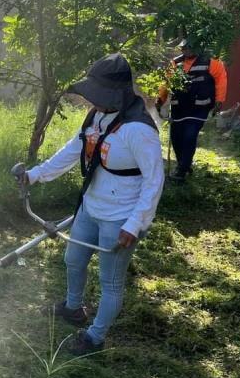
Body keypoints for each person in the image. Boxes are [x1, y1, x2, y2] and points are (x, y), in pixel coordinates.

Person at [23, 53, 164, 356]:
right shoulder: (97, 117)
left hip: (120, 217)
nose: (92, 101)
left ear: (117, 94)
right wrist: (35, 175)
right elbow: (72, 150)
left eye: (98, 95)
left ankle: (95, 337)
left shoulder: (139, 130)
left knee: (110, 281)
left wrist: (135, 224)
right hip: (90, 206)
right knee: (73, 259)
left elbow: (154, 181)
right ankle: (74, 307)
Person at [156, 39, 227, 182]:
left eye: (188, 48)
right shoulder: (175, 63)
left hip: (199, 107)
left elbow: (221, 80)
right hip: (179, 107)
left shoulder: (211, 61)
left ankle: (181, 170)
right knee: (176, 137)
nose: (185, 51)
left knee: (189, 135)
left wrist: (220, 100)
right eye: (183, 49)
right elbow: (166, 83)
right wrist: (160, 99)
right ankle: (184, 163)